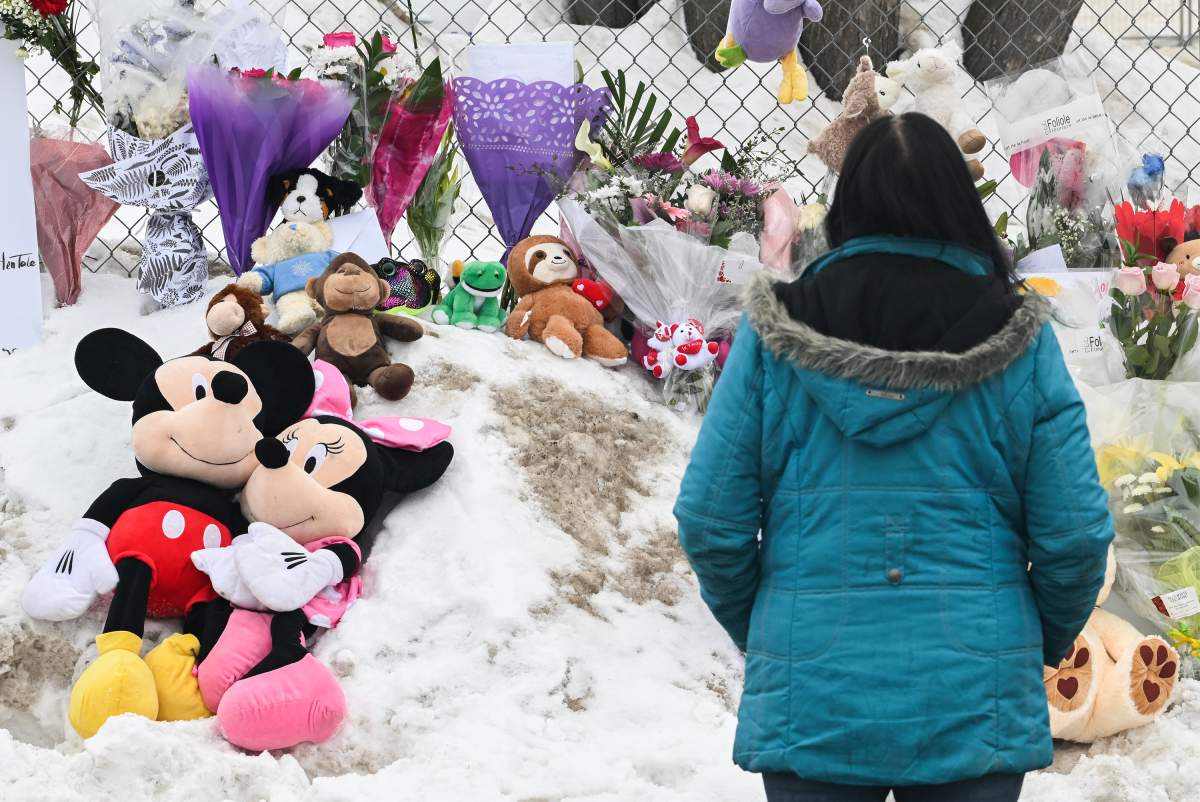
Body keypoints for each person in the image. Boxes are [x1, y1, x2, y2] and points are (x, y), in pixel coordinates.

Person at [674, 112, 1113, 802]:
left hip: (813, 690)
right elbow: (1077, 538)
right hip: (975, 690)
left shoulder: (775, 334)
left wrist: (771, 631)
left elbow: (709, 519)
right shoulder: (1019, 339)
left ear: (849, 201)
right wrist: (1031, 644)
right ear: (959, 205)